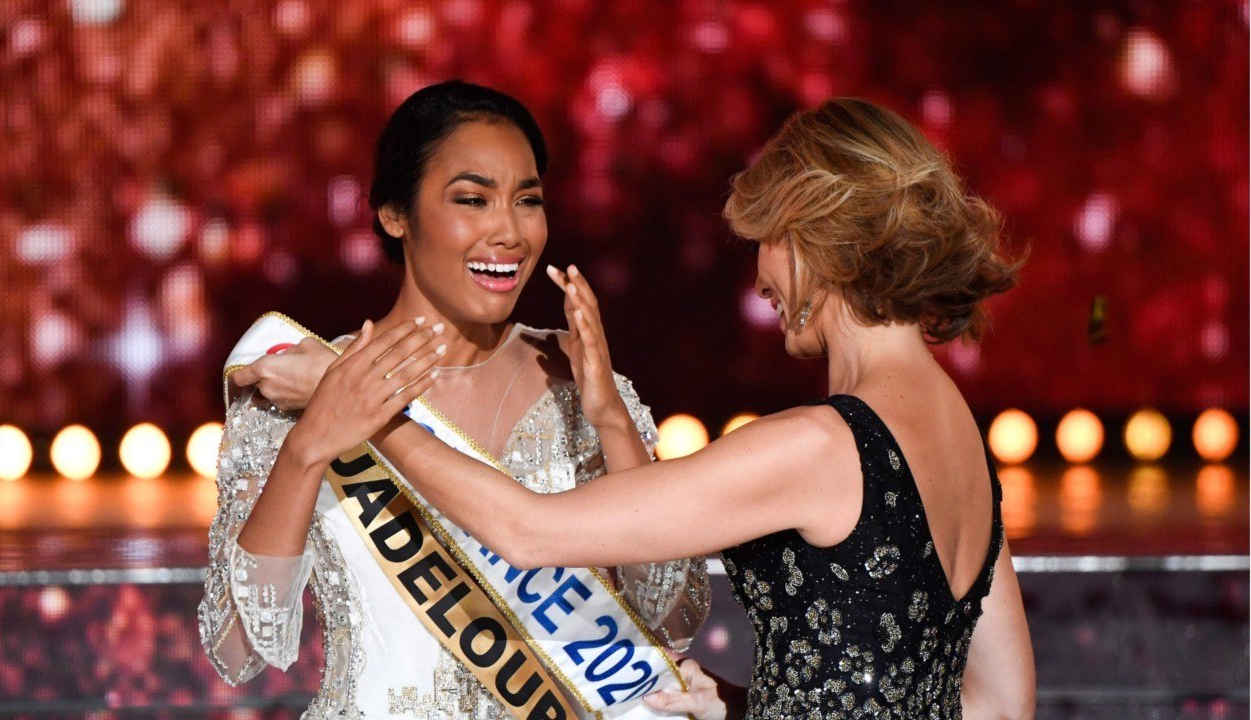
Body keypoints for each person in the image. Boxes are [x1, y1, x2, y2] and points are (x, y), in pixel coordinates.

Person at [294, 97, 1037, 719]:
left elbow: (526, 531)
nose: (760, 279)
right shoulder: (960, 436)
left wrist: (369, 411)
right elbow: (1000, 705)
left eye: (769, 241)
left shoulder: (823, 446)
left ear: (821, 239)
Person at [198, 80, 710, 719]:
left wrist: (610, 421)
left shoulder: (579, 380)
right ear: (395, 214)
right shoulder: (306, 379)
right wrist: (307, 448)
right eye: (473, 199)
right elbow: (238, 649)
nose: (509, 231)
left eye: (528, 200)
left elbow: (670, 615)